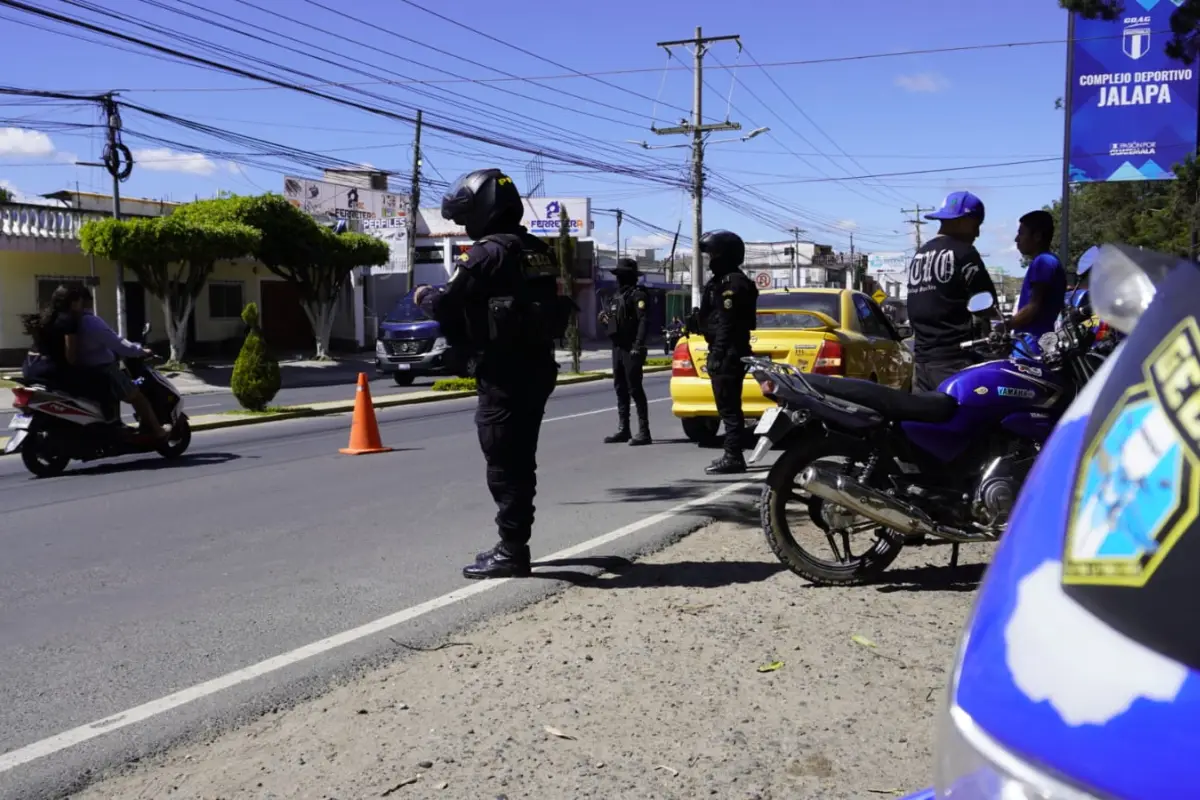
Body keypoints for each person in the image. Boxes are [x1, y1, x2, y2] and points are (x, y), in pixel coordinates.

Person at [413, 168, 572, 580]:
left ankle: (512, 550)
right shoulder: (537, 249)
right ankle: (515, 542)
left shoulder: (486, 254)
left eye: (467, 216)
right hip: (538, 367)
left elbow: (446, 305)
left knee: (504, 461)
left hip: (504, 373)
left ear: (483, 210)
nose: (465, 224)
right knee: (521, 459)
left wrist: (423, 295)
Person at [906, 191, 998, 392]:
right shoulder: (964, 253)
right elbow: (989, 304)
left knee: (926, 411)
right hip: (954, 361)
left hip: (921, 363)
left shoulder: (920, 254)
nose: (977, 234)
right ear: (964, 221)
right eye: (976, 226)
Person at [697, 230, 759, 475]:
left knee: (729, 407)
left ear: (725, 255)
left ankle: (733, 456)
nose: (710, 260)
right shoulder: (721, 282)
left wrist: (718, 353)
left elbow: (727, 323)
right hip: (726, 349)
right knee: (727, 405)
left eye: (713, 255)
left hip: (729, 351)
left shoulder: (732, 284)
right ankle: (733, 453)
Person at [77, 293, 169, 441]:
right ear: (87, 302)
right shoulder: (90, 321)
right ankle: (158, 431)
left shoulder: (67, 322)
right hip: (103, 370)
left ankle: (117, 424)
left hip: (82, 371)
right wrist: (141, 351)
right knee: (137, 396)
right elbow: (118, 343)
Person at [598, 258, 651, 446]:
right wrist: (605, 320)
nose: (618, 279)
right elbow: (613, 320)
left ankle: (644, 431)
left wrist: (638, 344)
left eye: (621, 276)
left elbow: (643, 320)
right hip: (618, 347)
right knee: (620, 388)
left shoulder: (638, 295)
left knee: (634, 388)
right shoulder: (615, 296)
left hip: (632, 347)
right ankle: (624, 429)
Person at [20, 285, 88, 395]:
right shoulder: (69, 320)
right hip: (50, 372)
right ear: (73, 302)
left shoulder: (44, 316)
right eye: (81, 302)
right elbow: (71, 357)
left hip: (29, 368)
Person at [1010, 210, 1067, 339]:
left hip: (1033, 343)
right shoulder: (1049, 261)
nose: (1017, 239)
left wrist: (1006, 325)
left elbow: (1033, 307)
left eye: (1021, 233)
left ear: (1037, 236)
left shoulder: (1043, 262)